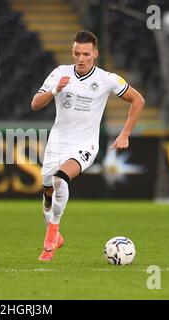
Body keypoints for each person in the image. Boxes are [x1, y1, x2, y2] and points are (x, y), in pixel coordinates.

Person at [31, 30, 145, 261]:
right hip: (57, 142)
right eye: (76, 53)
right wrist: (55, 90)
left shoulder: (106, 79)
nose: (80, 58)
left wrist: (125, 133)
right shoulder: (59, 74)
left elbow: (138, 99)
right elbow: (34, 104)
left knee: (60, 178)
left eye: (85, 54)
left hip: (85, 145)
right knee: (47, 192)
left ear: (95, 54)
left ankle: (51, 235)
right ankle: (55, 234)